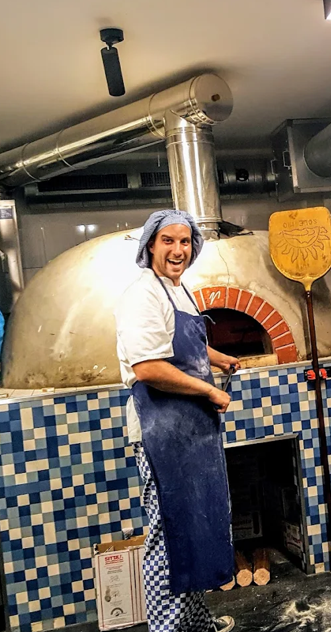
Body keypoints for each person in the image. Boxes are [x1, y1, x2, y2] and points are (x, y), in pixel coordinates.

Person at [115, 210, 241, 632]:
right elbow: (149, 367)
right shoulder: (142, 295)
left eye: (185, 242)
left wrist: (218, 358)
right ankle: (167, 628)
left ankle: (196, 622)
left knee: (194, 527)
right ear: (150, 245)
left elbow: (180, 349)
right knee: (170, 532)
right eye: (168, 241)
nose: (178, 250)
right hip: (162, 430)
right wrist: (208, 389)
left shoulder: (178, 289)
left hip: (189, 429)